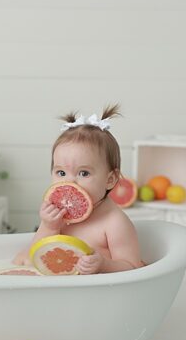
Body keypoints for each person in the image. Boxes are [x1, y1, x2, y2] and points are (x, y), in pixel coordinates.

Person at [13, 106, 143, 272]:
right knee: (21, 259)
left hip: (93, 291)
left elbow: (132, 267)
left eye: (83, 173)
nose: (70, 183)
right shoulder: (58, 216)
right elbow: (36, 254)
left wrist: (104, 265)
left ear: (110, 180)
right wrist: (49, 226)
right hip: (59, 284)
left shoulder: (115, 223)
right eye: (61, 172)